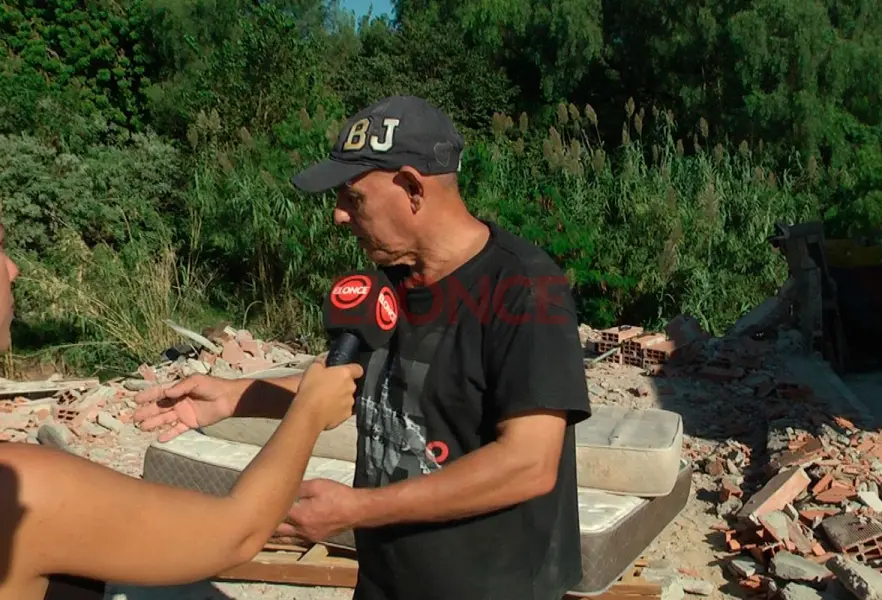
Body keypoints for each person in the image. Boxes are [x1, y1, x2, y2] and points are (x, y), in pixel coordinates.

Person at [135, 95, 593, 600]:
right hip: (386, 579)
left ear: (412, 189)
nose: (338, 215)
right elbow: (352, 384)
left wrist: (353, 510)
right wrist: (235, 398)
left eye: (353, 198)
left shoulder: (525, 289)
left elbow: (528, 464)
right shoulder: (391, 278)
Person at [0, 224, 366, 600]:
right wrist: (307, 413)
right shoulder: (21, 487)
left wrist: (234, 399)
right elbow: (235, 533)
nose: (14, 269)